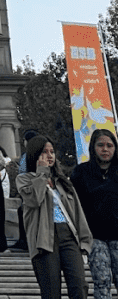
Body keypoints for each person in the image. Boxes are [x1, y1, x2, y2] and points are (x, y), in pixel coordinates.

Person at [18, 135, 92, 299]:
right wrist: (42, 173)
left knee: (80, 286)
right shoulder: (24, 179)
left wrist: (85, 241)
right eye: (44, 152)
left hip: (68, 236)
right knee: (51, 290)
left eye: (52, 152)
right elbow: (34, 200)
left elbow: (77, 212)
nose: (49, 156)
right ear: (34, 154)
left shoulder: (62, 181)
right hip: (44, 240)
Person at [72, 128, 118, 299]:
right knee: (102, 279)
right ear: (93, 147)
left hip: (117, 235)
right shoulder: (81, 172)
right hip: (94, 236)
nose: (105, 149)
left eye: (109, 145)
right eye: (101, 145)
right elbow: (75, 204)